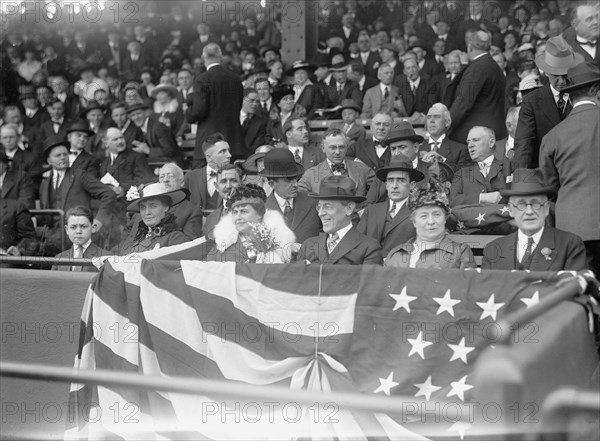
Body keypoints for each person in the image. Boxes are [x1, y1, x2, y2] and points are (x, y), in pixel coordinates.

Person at [540, 63, 600, 276]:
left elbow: (549, 188)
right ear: (595, 90)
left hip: (572, 227)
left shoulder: (553, 136)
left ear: (569, 96)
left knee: (583, 296)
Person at [482, 168, 587, 271]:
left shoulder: (570, 245)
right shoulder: (493, 249)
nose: (529, 211)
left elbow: (575, 286)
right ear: (510, 210)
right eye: (521, 204)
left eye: (535, 203)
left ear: (546, 208)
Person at [513, 36, 584, 169]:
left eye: (566, 75)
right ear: (546, 72)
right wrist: (522, 179)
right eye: (556, 75)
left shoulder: (585, 96)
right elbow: (524, 144)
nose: (562, 81)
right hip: (544, 174)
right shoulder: (531, 101)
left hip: (579, 172)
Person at [39, 136, 116, 254]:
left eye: (65, 154)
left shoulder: (79, 175)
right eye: (58, 155)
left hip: (77, 232)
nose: (63, 158)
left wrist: (99, 220)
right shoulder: (44, 184)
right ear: (48, 161)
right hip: (53, 233)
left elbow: (109, 194)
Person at [385, 180, 476, 269]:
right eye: (423, 216)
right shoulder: (396, 254)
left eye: (437, 214)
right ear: (414, 221)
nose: (431, 221)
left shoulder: (460, 252)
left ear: (445, 218)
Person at [297, 175, 383, 265]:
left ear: (349, 208)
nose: (320, 213)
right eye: (319, 207)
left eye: (327, 206)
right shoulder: (308, 245)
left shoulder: (369, 248)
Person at [207, 184, 297, 263]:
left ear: (259, 214)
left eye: (244, 211)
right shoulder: (222, 245)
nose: (238, 217)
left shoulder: (279, 242)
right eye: (235, 212)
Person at [186, 43, 244, 167]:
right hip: (234, 142)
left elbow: (199, 110)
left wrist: (188, 112)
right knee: (234, 181)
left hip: (209, 143)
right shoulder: (235, 79)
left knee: (203, 181)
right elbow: (238, 106)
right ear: (221, 56)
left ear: (203, 58)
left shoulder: (202, 79)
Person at [358, 154, 425, 256]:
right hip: (369, 267)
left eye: (401, 180)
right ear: (386, 185)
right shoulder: (371, 210)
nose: (394, 186)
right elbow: (358, 242)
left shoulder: (419, 212)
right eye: (390, 180)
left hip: (401, 268)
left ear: (411, 185)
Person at [449, 30, 507, 144]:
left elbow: (463, 104)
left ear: (469, 47)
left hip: (477, 136)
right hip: (494, 132)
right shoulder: (493, 66)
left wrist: (445, 125)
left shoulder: (477, 68)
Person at [261, 149, 321, 244]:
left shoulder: (314, 202)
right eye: (288, 180)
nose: (296, 184)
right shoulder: (261, 210)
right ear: (272, 184)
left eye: (296, 178)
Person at [298, 128, 372, 201]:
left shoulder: (362, 169)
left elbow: (379, 191)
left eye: (341, 147)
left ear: (347, 146)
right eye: (332, 147)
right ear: (323, 148)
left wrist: (365, 210)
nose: (337, 152)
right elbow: (299, 197)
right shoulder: (311, 174)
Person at [116, 183, 188, 255]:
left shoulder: (175, 239)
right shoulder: (139, 236)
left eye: (153, 206)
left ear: (166, 207)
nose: (147, 212)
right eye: (143, 207)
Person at [450, 126, 509, 207]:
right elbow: (452, 200)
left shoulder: (508, 167)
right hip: (471, 219)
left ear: (491, 143)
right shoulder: (461, 173)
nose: (470, 145)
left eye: (475, 140)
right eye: (468, 142)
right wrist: (481, 198)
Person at [184, 132, 232, 212]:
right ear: (209, 157)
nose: (229, 155)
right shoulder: (191, 177)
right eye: (223, 151)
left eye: (228, 150)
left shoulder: (235, 178)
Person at [52, 206, 108, 272]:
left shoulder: (106, 257)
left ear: (93, 228)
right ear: (67, 230)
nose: (78, 231)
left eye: (83, 226)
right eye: (73, 227)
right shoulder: (58, 258)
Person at [127, 102, 183, 167]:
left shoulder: (158, 127)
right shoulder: (142, 129)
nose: (136, 117)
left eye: (139, 113)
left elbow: (170, 150)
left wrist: (148, 150)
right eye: (133, 115)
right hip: (159, 163)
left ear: (146, 113)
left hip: (173, 165)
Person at [422, 103, 471, 171]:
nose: (431, 121)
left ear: (447, 122)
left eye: (437, 117)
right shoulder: (417, 148)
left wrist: (441, 161)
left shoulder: (461, 150)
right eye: (429, 117)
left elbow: (463, 175)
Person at [202, 164, 243, 239]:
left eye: (233, 181)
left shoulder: (253, 211)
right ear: (216, 187)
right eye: (223, 181)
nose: (228, 186)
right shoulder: (210, 219)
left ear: (242, 184)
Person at [563, 2, 600, 68]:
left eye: (597, 17)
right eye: (589, 19)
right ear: (575, 25)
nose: (596, 22)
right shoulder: (565, 52)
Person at [240, 87, 268, 155]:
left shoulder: (261, 122)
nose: (255, 104)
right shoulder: (231, 117)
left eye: (257, 101)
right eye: (252, 100)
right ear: (242, 99)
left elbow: (257, 145)